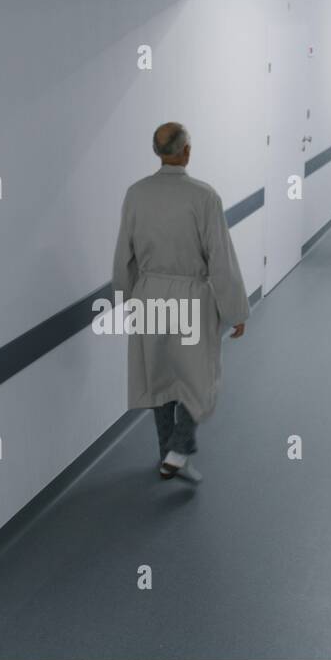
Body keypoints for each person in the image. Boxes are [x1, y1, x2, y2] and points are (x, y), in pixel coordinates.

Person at [112, 122, 249, 483]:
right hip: (190, 296)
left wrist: (125, 296)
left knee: (160, 378)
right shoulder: (204, 196)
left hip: (149, 293)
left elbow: (123, 252)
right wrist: (235, 310)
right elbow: (221, 258)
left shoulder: (135, 194)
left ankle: (168, 454)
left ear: (157, 153)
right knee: (197, 376)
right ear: (186, 151)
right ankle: (178, 449)